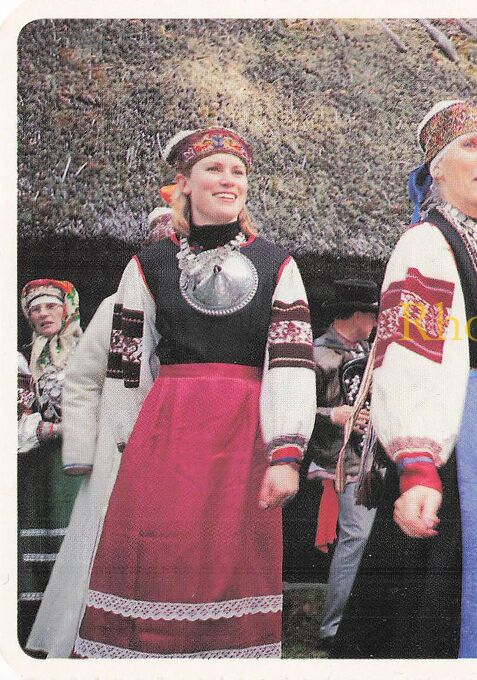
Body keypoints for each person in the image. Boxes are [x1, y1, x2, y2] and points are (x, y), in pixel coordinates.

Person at [329, 100, 477, 658]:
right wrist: (417, 467)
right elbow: (413, 353)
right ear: (436, 165)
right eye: (471, 146)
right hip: (464, 446)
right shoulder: (428, 244)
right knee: (447, 606)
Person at [71, 127, 316, 658]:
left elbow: (291, 364)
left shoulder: (279, 264)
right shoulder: (148, 265)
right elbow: (125, 364)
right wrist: (123, 442)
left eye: (238, 172)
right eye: (214, 169)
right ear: (185, 182)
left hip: (245, 433)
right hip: (166, 432)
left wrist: (287, 453)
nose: (228, 180)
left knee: (229, 559)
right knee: (157, 555)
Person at [27, 209, 176, 657]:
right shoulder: (117, 307)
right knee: (105, 539)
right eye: (160, 244)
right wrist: (81, 452)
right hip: (121, 444)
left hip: (183, 441)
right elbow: (82, 380)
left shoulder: (207, 309)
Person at [308, 278, 380, 651]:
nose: (375, 323)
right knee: (356, 536)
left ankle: (356, 620)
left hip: (372, 459)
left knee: (366, 538)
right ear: (357, 314)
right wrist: (332, 414)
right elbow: (296, 407)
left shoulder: (368, 351)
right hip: (340, 460)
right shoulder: (317, 353)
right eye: (371, 315)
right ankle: (333, 627)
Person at [17, 279, 83, 648]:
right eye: (35, 309)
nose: (43, 314)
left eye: (50, 307)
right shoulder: (25, 358)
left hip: (83, 458)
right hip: (43, 464)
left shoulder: (89, 348)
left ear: (66, 308)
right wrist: (50, 429)